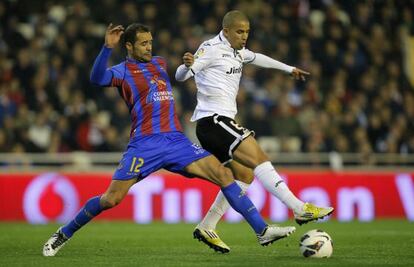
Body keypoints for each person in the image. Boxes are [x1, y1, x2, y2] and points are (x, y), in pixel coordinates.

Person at [42, 23, 297, 257]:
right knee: (111, 199)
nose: (149, 47)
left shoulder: (160, 63)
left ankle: (262, 231)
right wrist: (107, 48)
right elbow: (97, 78)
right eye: (143, 43)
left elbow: (185, 73)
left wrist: (189, 65)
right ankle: (63, 233)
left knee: (225, 175)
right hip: (145, 144)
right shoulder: (122, 71)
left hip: (176, 142)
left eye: (150, 42)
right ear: (129, 46)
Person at [175, 10, 334, 253]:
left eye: (247, 31)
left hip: (217, 125)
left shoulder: (238, 52)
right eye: (240, 31)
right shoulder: (211, 48)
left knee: (244, 176)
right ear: (226, 31)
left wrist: (289, 69)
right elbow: (181, 75)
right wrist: (186, 66)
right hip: (213, 120)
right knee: (259, 158)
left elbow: (258, 57)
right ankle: (299, 208)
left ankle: (208, 225)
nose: (244, 36)